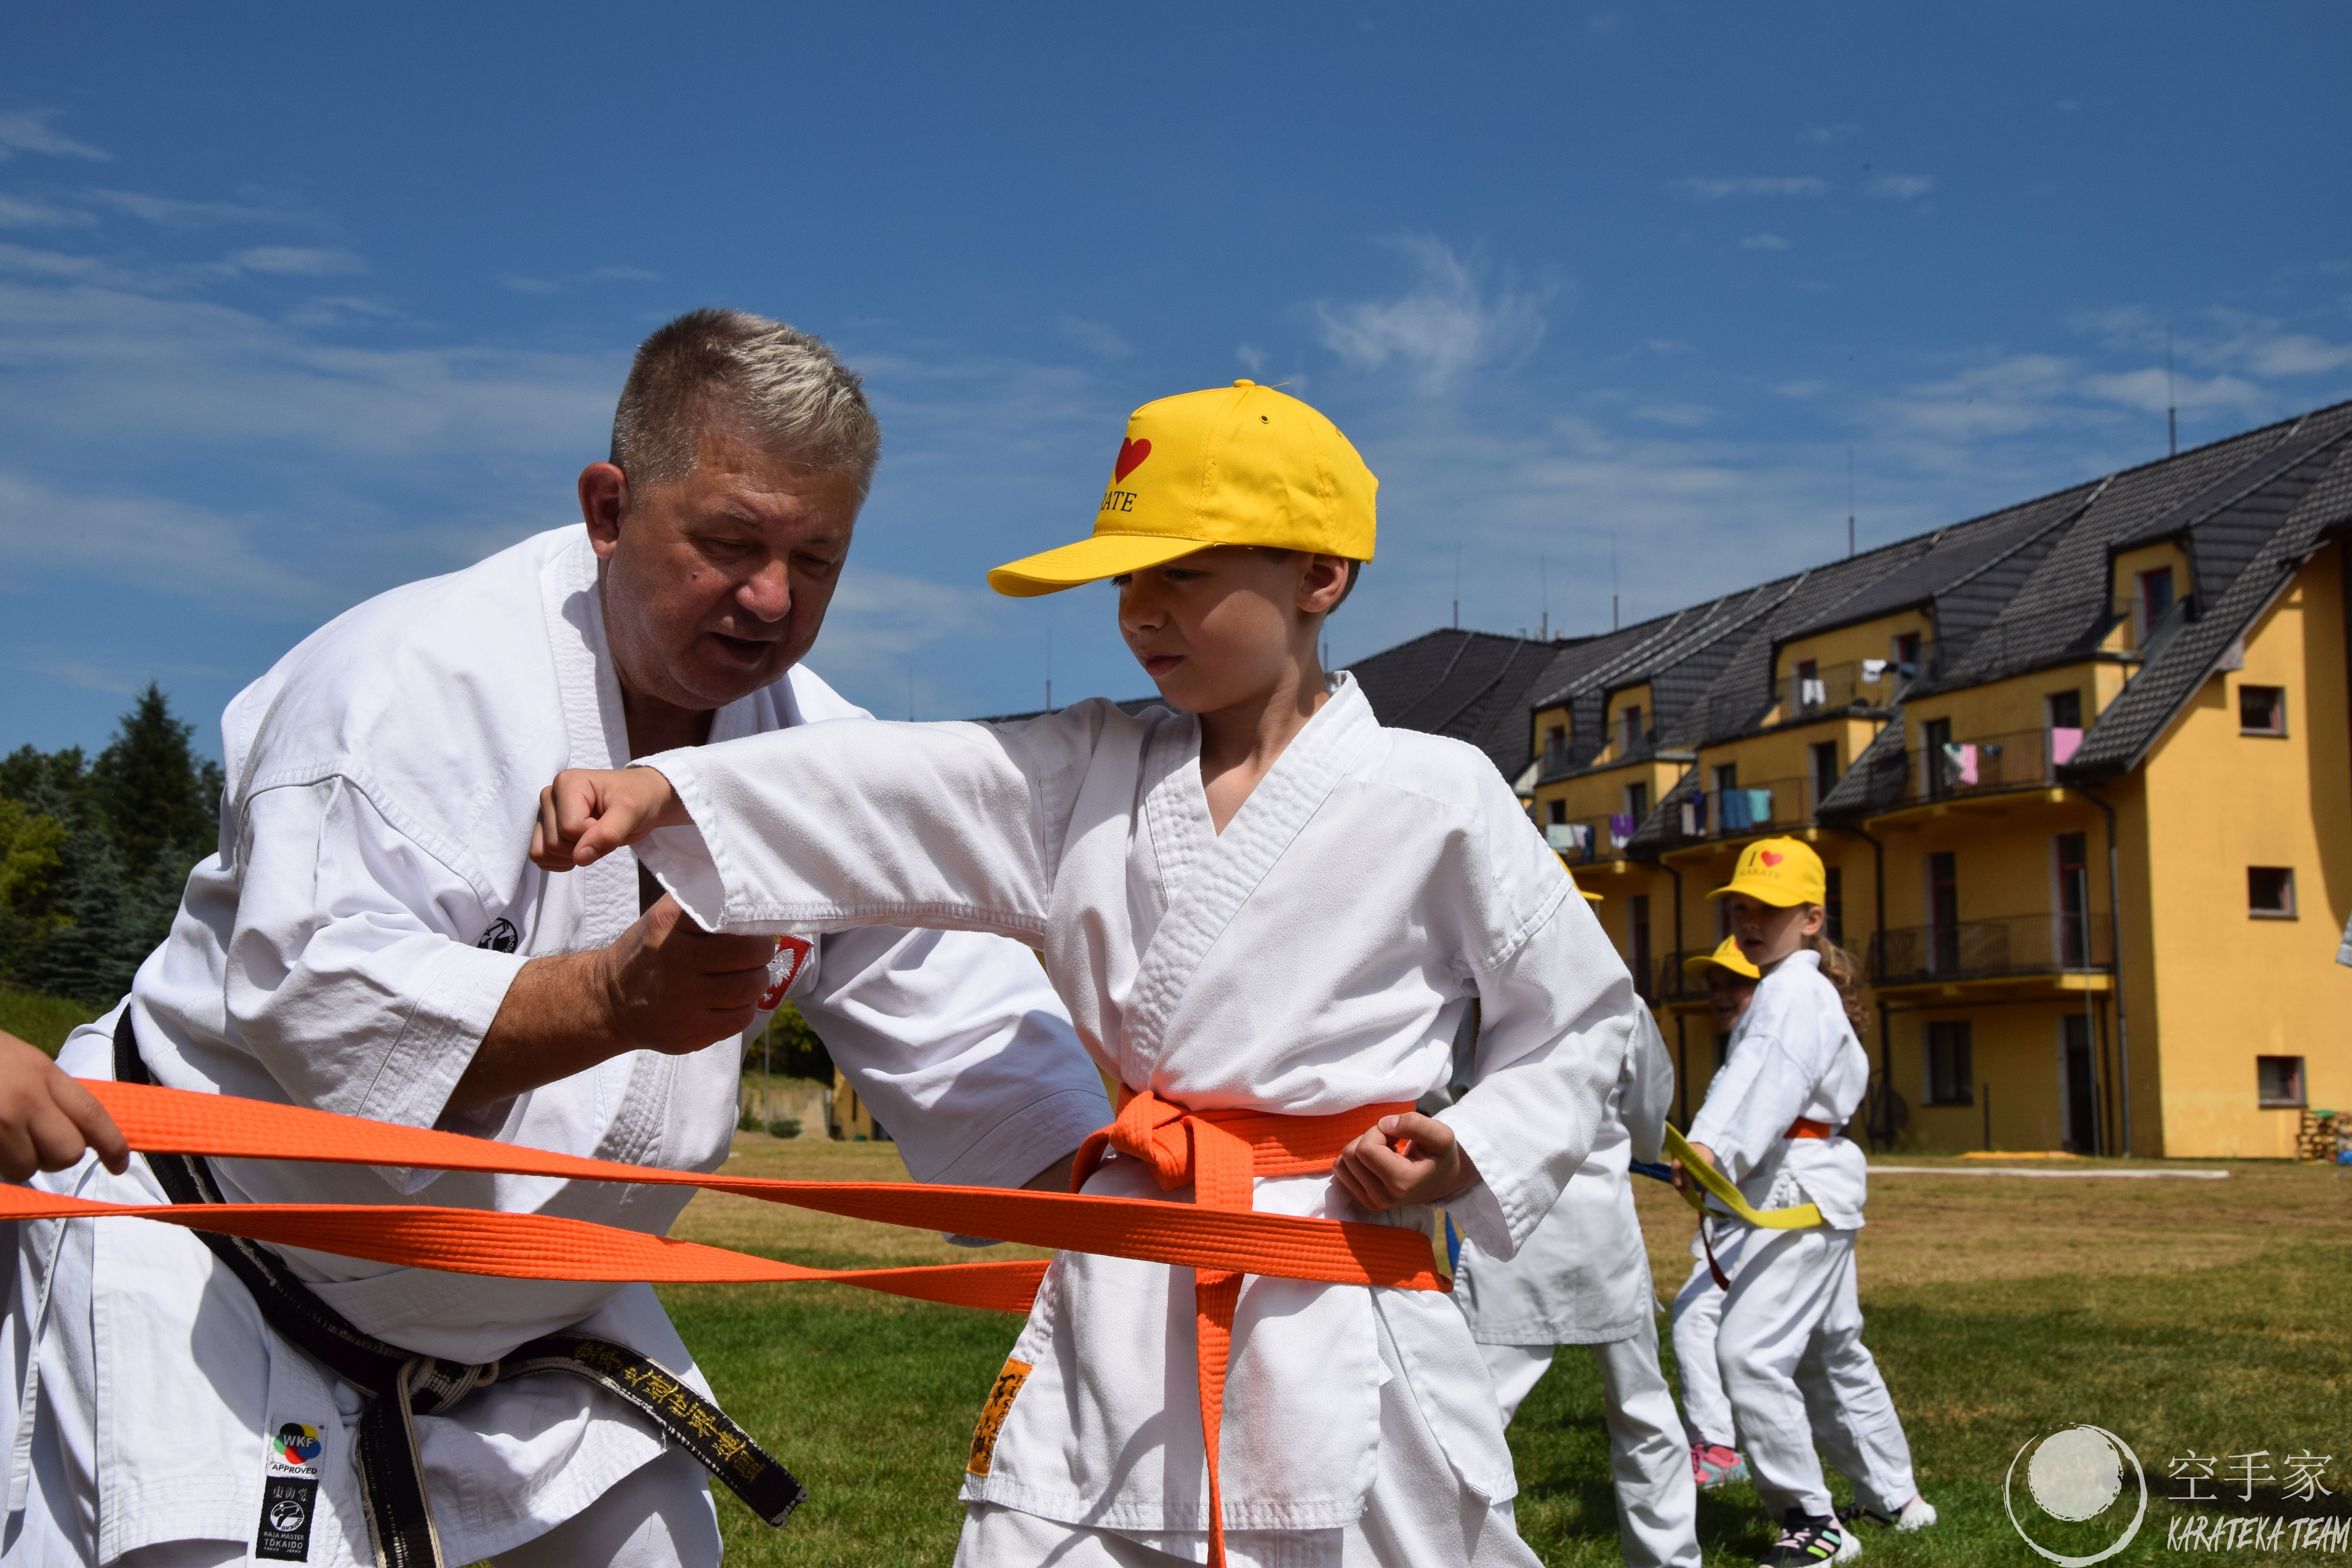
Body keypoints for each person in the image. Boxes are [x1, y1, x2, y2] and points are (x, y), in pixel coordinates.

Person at [7, 309, 1112, 1568]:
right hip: (230, 1280)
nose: (770, 599)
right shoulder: (405, 687)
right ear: (609, 507)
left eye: (817, 560)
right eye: (731, 543)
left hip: (539, 1342)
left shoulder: (814, 755)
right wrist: (610, 1000)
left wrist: (1138, 1188)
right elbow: (315, 1009)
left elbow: (951, 996)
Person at [532, 379, 1640, 1568]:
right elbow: (899, 783)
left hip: (1333, 1262)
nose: (1141, 613)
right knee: (1063, 1524)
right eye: (1126, 579)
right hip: (1132, 1266)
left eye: (1182, 573)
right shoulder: (1086, 773)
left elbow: (1582, 1026)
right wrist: (670, 790)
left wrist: (1470, 1146)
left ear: (1320, 577)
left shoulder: (1439, 795)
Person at [1672, 840, 1931, 1568]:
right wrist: (1713, 1151)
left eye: (1771, 911)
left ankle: (1812, 1521)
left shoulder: (1790, 992)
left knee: (1749, 1354)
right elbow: (1756, 1083)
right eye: (1742, 908)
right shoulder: (1792, 987)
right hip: (1803, 1181)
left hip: (1799, 1185)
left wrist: (1710, 1152)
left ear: (1812, 918)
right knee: (1830, 1349)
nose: (1751, 923)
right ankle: (1893, 1497)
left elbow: (1766, 1082)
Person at [1451, 993, 1699, 1568]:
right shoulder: (1623, 1002)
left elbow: (1445, 1097)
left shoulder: (1479, 1002)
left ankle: (1474, 1556)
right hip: (1598, 1230)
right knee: (1642, 1409)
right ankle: (1669, 1560)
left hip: (1513, 1220)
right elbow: (1647, 1122)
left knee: (1476, 1417)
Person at [1668, 936, 1762, 1492]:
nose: (1721, 997)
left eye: (1736, 984)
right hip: (1746, 1214)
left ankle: (1719, 1449)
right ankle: (1896, 1495)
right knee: (1829, 1350)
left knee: (1695, 1315)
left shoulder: (1765, 1046)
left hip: (1770, 1214)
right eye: (1716, 986)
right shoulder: (1744, 1046)